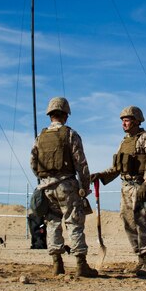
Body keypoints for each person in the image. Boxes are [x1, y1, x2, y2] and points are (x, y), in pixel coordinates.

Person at [30, 97, 98, 278]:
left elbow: (33, 162)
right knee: (74, 222)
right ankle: (81, 265)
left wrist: (44, 180)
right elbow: (81, 163)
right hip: (66, 185)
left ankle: (57, 264)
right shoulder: (70, 134)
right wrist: (84, 187)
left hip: (46, 187)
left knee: (52, 223)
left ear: (50, 114)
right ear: (66, 115)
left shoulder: (41, 136)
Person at [92, 106, 146, 277]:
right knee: (128, 221)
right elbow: (117, 167)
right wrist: (101, 175)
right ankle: (139, 257)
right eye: (122, 120)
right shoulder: (124, 142)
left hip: (140, 187)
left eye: (128, 119)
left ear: (137, 120)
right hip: (126, 187)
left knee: (142, 222)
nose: (124, 122)